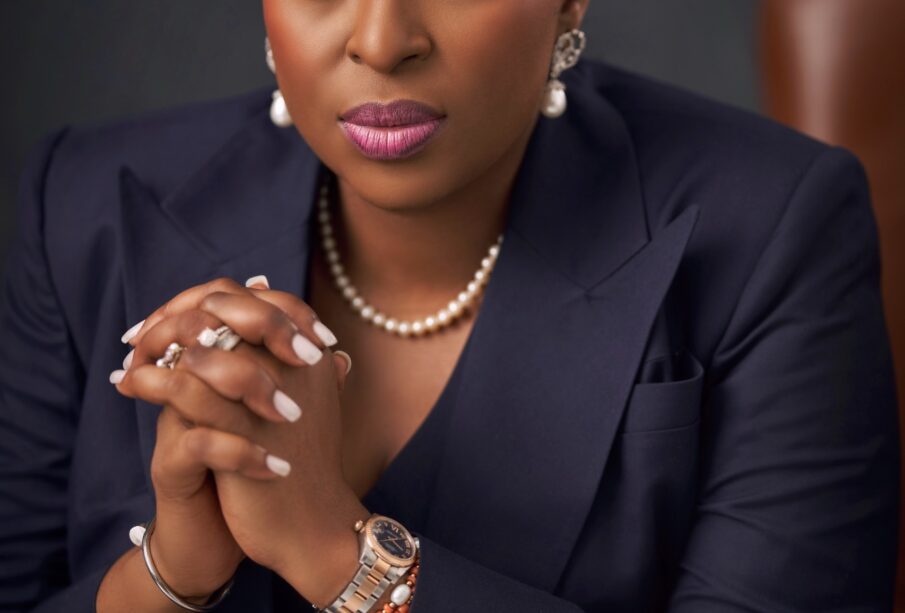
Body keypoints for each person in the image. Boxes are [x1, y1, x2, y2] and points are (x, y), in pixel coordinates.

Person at [0, 0, 899, 611]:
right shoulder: (87, 203)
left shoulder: (775, 224)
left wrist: (341, 555)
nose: (382, 39)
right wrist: (169, 576)